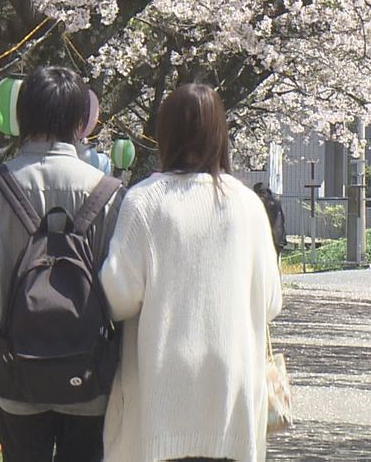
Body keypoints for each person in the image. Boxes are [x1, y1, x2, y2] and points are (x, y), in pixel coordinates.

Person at [100, 83, 283, 462]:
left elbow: (118, 296)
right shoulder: (247, 205)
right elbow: (271, 302)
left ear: (165, 133)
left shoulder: (145, 201)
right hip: (231, 397)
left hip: (161, 395)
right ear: (220, 135)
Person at [0, 65, 123, 462]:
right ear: (79, 122)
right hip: (88, 378)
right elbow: (120, 291)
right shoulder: (109, 194)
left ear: (22, 117)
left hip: (16, 372)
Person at [253, 182, 288, 258]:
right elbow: (283, 219)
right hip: (279, 237)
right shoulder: (277, 202)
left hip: (268, 239)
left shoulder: (261, 203)